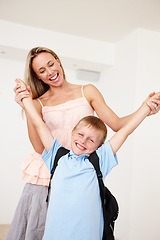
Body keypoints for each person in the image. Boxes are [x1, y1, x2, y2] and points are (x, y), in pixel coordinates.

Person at [7, 46, 160, 240]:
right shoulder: (38, 103)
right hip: (50, 170)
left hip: (82, 171)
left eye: (51, 64)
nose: (50, 72)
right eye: (42, 71)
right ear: (37, 77)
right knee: (41, 230)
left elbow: (119, 126)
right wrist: (27, 103)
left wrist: (145, 108)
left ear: (58, 61)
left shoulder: (87, 91)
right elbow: (39, 147)